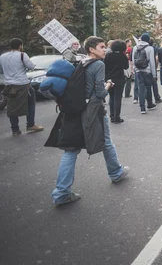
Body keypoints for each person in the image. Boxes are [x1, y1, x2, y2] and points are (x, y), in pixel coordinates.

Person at [50, 36, 129, 207]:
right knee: (106, 141)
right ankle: (116, 173)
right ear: (91, 49)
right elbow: (100, 93)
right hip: (93, 111)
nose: (105, 50)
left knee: (70, 150)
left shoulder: (82, 62)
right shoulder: (98, 64)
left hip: (76, 109)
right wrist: (109, 84)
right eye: (101, 47)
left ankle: (61, 192)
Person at [0, 38, 44, 136]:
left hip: (10, 86)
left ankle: (15, 130)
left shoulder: (2, 57)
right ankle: (31, 125)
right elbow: (31, 67)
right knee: (31, 103)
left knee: (11, 107)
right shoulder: (22, 55)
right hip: (23, 85)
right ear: (20, 46)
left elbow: (1, 71)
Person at [104, 40, 129, 123]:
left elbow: (105, 66)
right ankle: (117, 117)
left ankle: (112, 116)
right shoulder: (123, 56)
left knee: (111, 97)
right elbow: (126, 67)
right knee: (118, 98)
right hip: (119, 78)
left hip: (109, 78)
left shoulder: (108, 55)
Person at [132, 33, 157, 114]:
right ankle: (149, 104)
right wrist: (154, 74)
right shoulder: (150, 48)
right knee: (148, 87)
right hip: (147, 71)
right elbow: (152, 62)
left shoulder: (135, 47)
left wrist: (135, 69)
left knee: (141, 88)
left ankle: (142, 108)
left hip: (138, 71)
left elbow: (133, 60)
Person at [148, 38, 162, 104]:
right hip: (153, 67)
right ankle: (157, 98)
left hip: (146, 68)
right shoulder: (155, 48)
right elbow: (157, 58)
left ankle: (148, 99)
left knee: (147, 85)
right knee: (154, 84)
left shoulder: (145, 48)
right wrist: (156, 66)